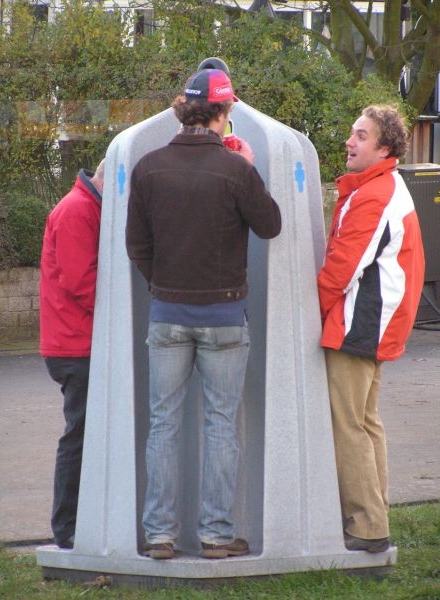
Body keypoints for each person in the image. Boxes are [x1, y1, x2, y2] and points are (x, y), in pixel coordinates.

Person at [126, 68, 281, 560]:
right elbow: (271, 225)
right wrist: (250, 166)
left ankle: (159, 535)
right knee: (220, 426)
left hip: (167, 315)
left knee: (163, 425)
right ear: (225, 111)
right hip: (224, 317)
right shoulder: (236, 170)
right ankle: (216, 535)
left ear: (185, 109)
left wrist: (162, 285)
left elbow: (137, 245)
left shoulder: (148, 167)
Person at [317, 105, 425, 553]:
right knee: (365, 422)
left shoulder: (375, 195)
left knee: (349, 426)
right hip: (375, 324)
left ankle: (365, 527)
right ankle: (375, 517)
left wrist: (310, 314)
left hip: (359, 324)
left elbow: (341, 268)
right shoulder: (382, 186)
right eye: (352, 133)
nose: (350, 141)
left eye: (361, 135)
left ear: (384, 148)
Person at [39, 159, 105, 549]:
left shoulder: (84, 206)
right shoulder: (78, 210)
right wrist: (125, 316)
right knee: (79, 436)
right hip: (76, 344)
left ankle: (78, 522)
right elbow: (82, 282)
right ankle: (67, 528)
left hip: (75, 339)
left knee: (83, 433)